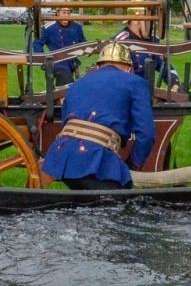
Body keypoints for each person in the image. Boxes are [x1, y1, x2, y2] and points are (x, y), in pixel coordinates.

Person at [39, 40, 156, 190]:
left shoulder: (78, 83)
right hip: (97, 159)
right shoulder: (136, 82)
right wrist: (132, 165)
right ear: (128, 68)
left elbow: (65, 121)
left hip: (61, 157)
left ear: (98, 66)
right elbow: (146, 134)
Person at [37, 6, 86, 86]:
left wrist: (89, 49)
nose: (66, 15)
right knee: (66, 79)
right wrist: (42, 59)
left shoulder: (77, 27)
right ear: (58, 13)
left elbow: (83, 42)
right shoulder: (49, 28)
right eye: (64, 13)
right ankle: (64, 95)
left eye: (68, 13)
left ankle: (58, 97)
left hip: (72, 62)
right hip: (56, 62)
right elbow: (37, 43)